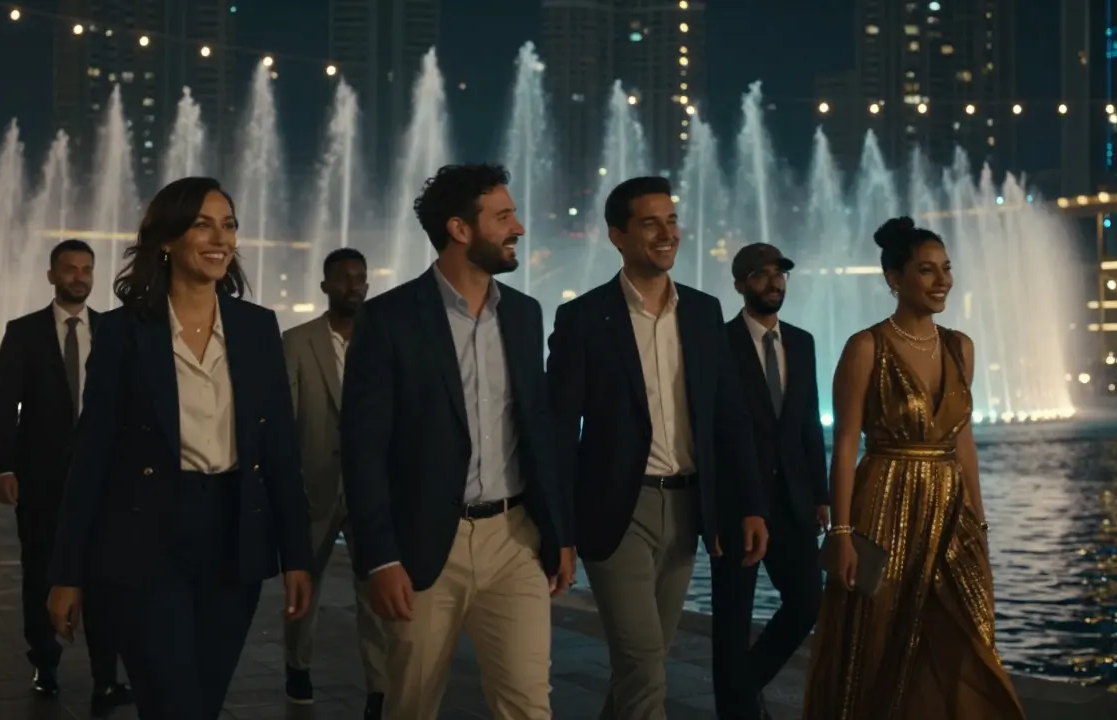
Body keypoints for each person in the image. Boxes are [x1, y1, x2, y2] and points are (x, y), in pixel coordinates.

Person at [45, 177, 314, 719]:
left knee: (204, 702)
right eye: (202, 224)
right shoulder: (125, 333)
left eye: (229, 224)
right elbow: (92, 457)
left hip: (234, 536)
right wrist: (66, 573)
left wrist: (297, 558)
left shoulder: (258, 329)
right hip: (146, 540)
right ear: (166, 239)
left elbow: (280, 450)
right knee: (173, 704)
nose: (220, 238)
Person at [341, 163, 568, 720]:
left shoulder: (523, 314)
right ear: (460, 229)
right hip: (425, 543)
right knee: (413, 704)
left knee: (529, 705)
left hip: (515, 539)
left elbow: (538, 431)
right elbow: (363, 448)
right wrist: (379, 558)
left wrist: (559, 530)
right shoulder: (389, 319)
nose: (518, 228)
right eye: (504, 216)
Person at [547, 175, 767, 720]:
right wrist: (560, 532)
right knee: (645, 666)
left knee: (643, 664)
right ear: (617, 235)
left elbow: (730, 418)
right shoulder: (583, 319)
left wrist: (752, 503)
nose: (667, 233)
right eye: (651, 223)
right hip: (618, 511)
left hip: (690, 508)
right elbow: (556, 431)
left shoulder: (701, 311)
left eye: (671, 221)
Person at [804, 217, 1025, 719]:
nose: (942, 280)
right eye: (927, 271)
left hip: (951, 504)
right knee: (877, 633)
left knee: (969, 628)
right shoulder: (866, 347)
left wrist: (980, 521)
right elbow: (844, 444)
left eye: (946, 269)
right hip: (884, 499)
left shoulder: (959, 346)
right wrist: (841, 534)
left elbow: (962, 437)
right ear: (894, 277)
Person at [0, 239, 131, 715]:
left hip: (107, 481)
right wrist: (3, 466)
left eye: (86, 269)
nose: (79, 277)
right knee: (41, 574)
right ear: (52, 275)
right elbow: (5, 403)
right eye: (69, 269)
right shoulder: (23, 332)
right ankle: (44, 663)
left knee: (109, 578)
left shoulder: (114, 330)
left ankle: (106, 679)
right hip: (42, 479)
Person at [714, 243, 826, 720]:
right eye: (760, 275)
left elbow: (807, 423)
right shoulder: (716, 343)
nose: (773, 283)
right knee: (732, 620)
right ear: (740, 284)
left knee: (806, 605)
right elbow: (714, 430)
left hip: (795, 501)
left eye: (779, 274)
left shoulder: (801, 342)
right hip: (737, 502)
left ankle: (740, 693)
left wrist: (821, 494)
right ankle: (737, 710)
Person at [281, 247, 387, 716]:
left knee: (377, 588)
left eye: (360, 278)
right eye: (343, 279)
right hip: (314, 484)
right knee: (305, 586)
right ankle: (297, 667)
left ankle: (379, 688)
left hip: (371, 489)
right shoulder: (297, 342)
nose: (354, 286)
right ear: (325, 286)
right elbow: (283, 421)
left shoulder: (384, 341)